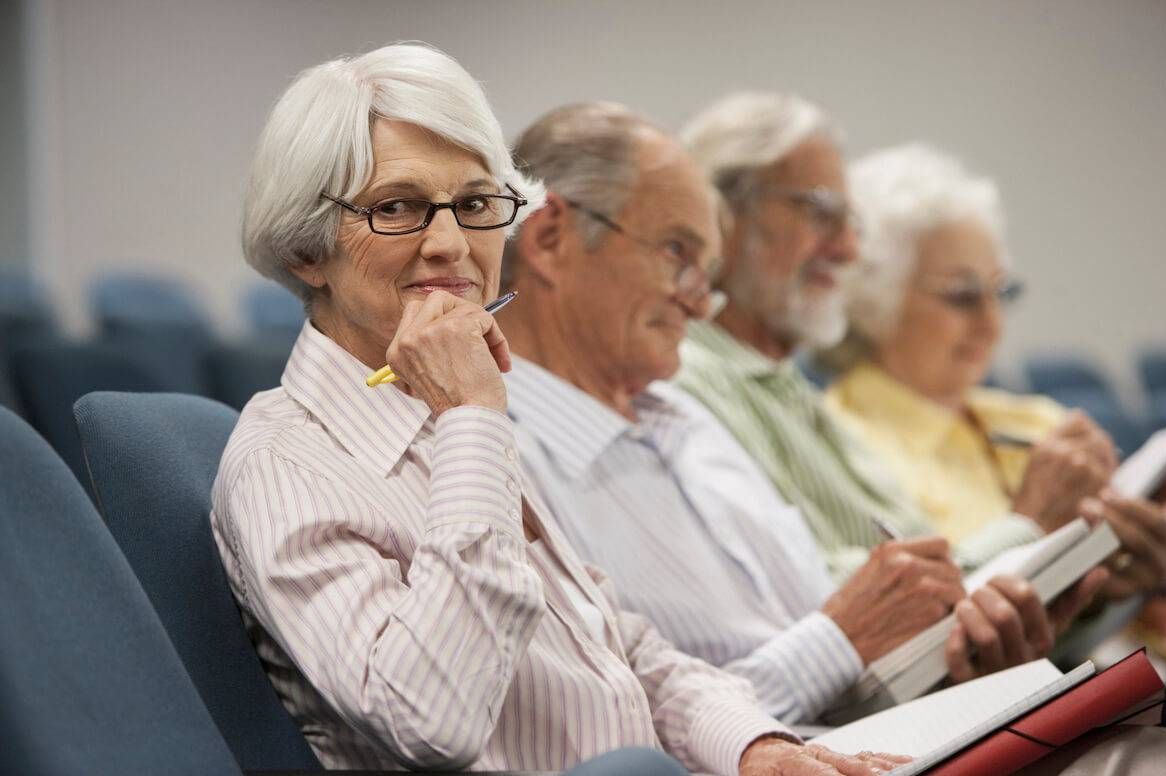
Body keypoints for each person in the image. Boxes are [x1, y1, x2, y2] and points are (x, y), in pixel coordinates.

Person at [212, 42, 907, 776]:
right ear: (304, 250)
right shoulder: (284, 462)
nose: (452, 245)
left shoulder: (439, 415)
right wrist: (473, 419)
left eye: (477, 204)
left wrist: (757, 748)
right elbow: (429, 719)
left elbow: (621, 647)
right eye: (398, 208)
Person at [497, 100, 1166, 774]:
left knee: (1154, 740)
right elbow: (630, 727)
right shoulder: (507, 463)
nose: (697, 297)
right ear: (552, 239)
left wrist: (959, 651)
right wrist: (845, 642)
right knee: (1155, 752)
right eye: (678, 253)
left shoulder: (684, 420)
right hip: (778, 756)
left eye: (703, 269)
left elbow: (854, 642)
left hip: (872, 728)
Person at [674, 92, 1166, 592]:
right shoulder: (689, 381)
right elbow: (841, 613)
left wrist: (1097, 587)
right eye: (819, 211)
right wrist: (1031, 527)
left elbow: (959, 628)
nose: (850, 248)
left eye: (1001, 292)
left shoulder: (788, 392)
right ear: (721, 214)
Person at [828, 143, 1166, 599]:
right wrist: (1035, 523)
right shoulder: (843, 445)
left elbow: (1137, 616)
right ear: (875, 297)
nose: (992, 324)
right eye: (963, 295)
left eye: (1002, 292)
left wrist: (1159, 568)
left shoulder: (1039, 422)